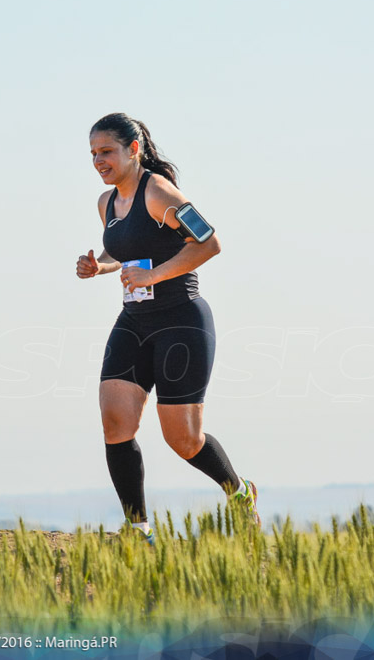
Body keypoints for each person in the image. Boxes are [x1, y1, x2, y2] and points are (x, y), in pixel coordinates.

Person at [76, 112, 259, 544]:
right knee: (115, 423)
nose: (99, 161)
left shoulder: (159, 192)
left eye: (107, 152)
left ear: (133, 149)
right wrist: (98, 266)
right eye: (93, 154)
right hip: (134, 322)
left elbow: (209, 241)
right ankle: (138, 529)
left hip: (181, 322)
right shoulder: (106, 204)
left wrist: (154, 277)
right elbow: (125, 250)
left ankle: (240, 492)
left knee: (184, 439)